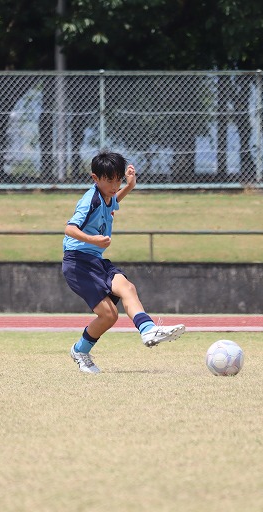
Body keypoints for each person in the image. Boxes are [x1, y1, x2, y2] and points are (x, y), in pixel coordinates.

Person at [62, 151, 185, 373]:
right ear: (95, 178)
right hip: (78, 263)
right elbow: (70, 229)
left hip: (96, 260)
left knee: (127, 287)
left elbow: (113, 201)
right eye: (109, 180)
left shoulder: (107, 196)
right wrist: (93, 239)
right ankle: (80, 351)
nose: (114, 185)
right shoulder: (90, 200)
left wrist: (130, 185)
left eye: (118, 180)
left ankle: (147, 330)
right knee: (109, 315)